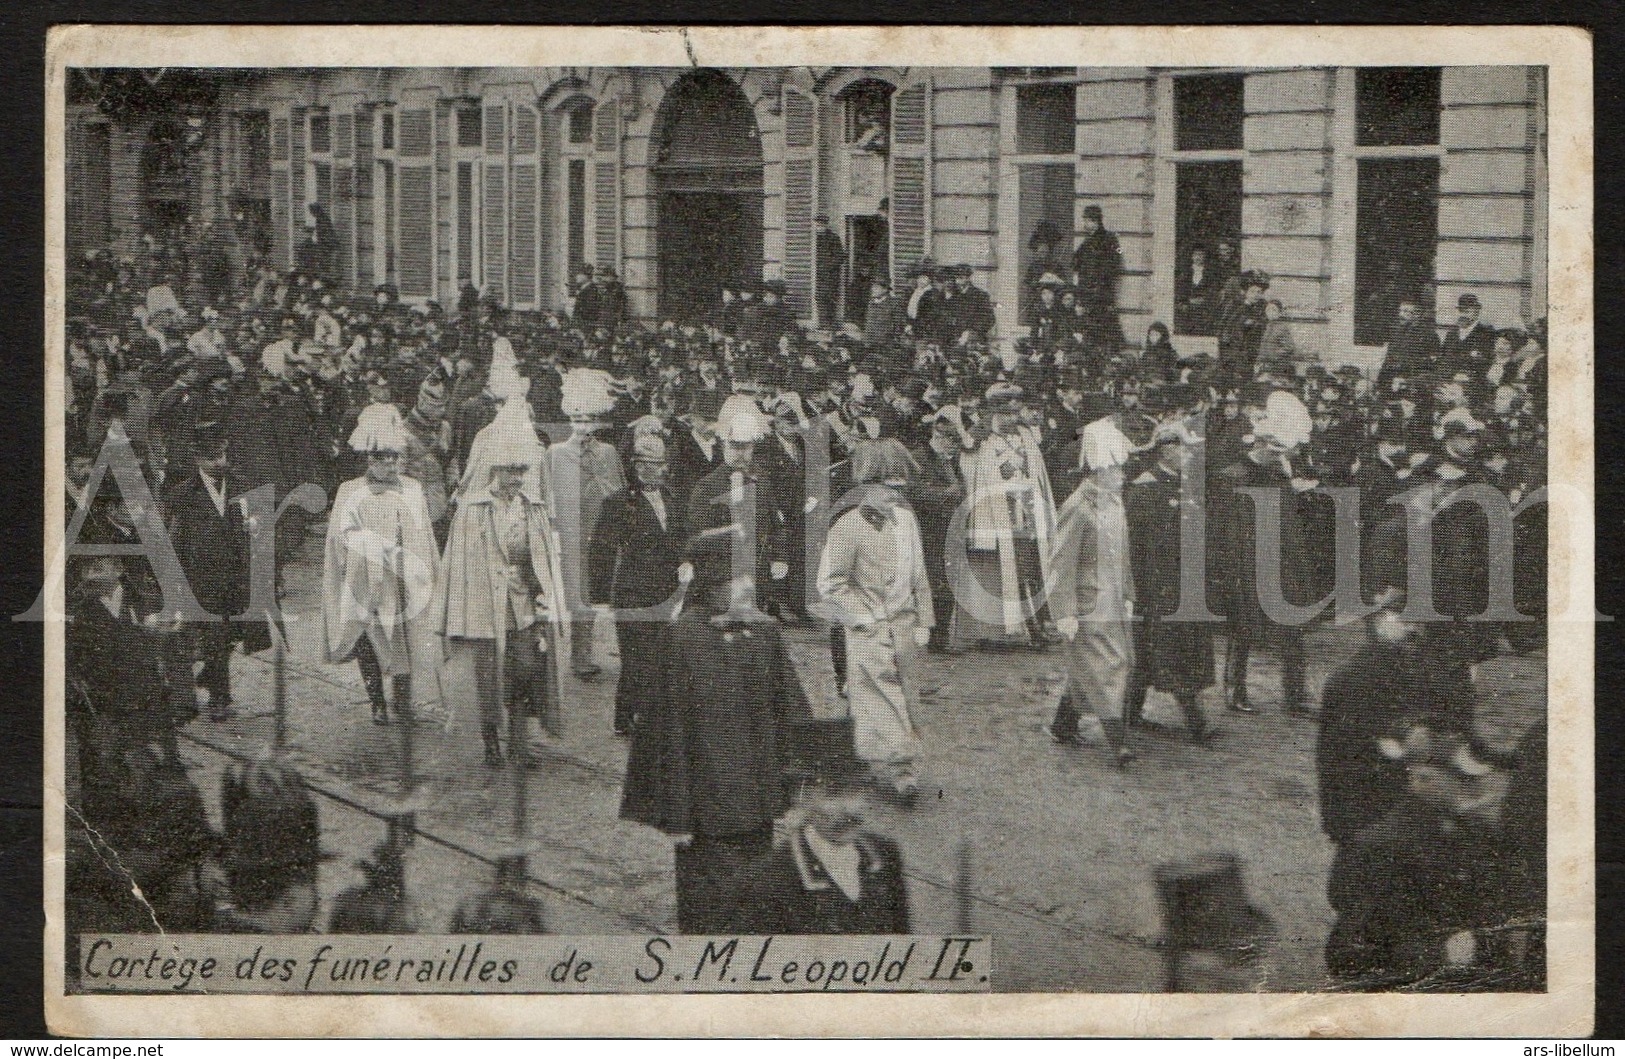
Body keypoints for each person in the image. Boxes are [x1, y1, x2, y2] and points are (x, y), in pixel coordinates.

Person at [618, 530, 814, 934]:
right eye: (737, 582)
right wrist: (676, 816)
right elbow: (664, 735)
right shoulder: (681, 640)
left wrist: (798, 788)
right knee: (709, 912)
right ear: (710, 585)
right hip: (705, 812)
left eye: (749, 581)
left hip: (757, 803)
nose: (747, 590)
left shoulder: (765, 635)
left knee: (755, 905)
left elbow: (792, 713)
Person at [441, 406, 569, 768]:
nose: (518, 479)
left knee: (526, 671)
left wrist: (545, 595)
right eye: (511, 471)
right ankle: (490, 742)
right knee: (489, 675)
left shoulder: (533, 508)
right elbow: (459, 568)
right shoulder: (473, 511)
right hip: (485, 604)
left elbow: (543, 559)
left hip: (524, 601)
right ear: (494, 468)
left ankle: (519, 741)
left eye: (522, 471)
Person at [816, 439, 935, 805]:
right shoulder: (849, 525)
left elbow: (919, 573)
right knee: (881, 697)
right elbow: (830, 583)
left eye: (901, 489)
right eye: (888, 489)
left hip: (903, 623)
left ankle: (862, 757)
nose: (896, 497)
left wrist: (924, 617)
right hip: (869, 626)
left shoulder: (907, 520)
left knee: (903, 696)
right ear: (867, 486)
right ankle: (903, 771)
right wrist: (863, 618)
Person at [322, 404, 443, 727]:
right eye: (381, 457)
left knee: (406, 637)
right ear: (368, 459)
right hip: (366, 577)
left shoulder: (413, 489)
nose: (389, 464)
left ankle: (402, 700)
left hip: (402, 577)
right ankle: (377, 699)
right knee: (370, 639)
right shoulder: (351, 491)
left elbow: (424, 535)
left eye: (394, 457)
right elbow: (339, 537)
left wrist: (425, 570)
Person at [726, 725, 910, 935]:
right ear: (801, 797)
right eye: (834, 793)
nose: (851, 807)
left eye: (859, 790)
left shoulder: (885, 855)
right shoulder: (769, 879)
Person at [1211, 390, 1313, 716]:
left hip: (1282, 561)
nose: (1279, 456)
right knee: (1243, 629)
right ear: (1261, 444)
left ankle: (1295, 696)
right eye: (1274, 449)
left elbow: (1289, 523)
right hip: (1247, 564)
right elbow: (1229, 534)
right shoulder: (1234, 477)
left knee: (1292, 628)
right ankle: (1235, 689)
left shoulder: (1278, 475)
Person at [1047, 416, 1139, 766]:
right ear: (1098, 470)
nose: (1122, 474)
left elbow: (1123, 556)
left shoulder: (1115, 503)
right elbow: (1059, 563)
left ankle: (1063, 723)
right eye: (1116, 468)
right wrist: (1064, 611)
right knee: (1110, 667)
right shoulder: (1078, 508)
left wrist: (1128, 592)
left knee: (1093, 668)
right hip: (1087, 604)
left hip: (1112, 600)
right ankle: (1119, 743)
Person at [1122, 421, 1218, 745]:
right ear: (1167, 449)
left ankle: (1129, 714)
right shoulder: (1145, 487)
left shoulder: (1184, 483)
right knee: (1166, 650)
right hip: (1157, 586)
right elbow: (1134, 544)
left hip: (1183, 583)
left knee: (1151, 654)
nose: (1190, 454)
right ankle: (1196, 723)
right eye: (1184, 448)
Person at [588, 431, 685, 736]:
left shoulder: (673, 499)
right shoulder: (618, 502)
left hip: (666, 593)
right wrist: (601, 598)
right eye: (641, 464)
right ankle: (631, 717)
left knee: (658, 656)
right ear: (633, 466)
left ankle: (638, 715)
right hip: (632, 593)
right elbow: (601, 550)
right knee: (636, 658)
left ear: (665, 466)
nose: (647, 470)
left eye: (654, 464)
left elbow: (682, 541)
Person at [955, 382, 1059, 649]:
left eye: (1015, 413)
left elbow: (1037, 474)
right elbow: (972, 477)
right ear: (994, 413)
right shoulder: (980, 439)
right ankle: (992, 631)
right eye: (1006, 414)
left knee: (1028, 570)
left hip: (1025, 514)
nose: (1012, 419)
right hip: (994, 513)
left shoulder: (1025, 436)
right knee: (994, 569)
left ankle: (1032, 627)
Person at [163, 422, 254, 723]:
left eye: (222, 455)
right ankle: (204, 698)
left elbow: (258, 532)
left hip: (234, 578)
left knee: (226, 638)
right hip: (198, 579)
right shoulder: (183, 495)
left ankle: (215, 689)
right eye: (212, 457)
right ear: (197, 459)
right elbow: (175, 541)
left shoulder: (242, 487)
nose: (219, 463)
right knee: (201, 639)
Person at [549, 369, 628, 681]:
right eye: (578, 419)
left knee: (598, 593)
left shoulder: (608, 453)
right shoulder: (556, 454)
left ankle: (594, 649)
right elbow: (546, 495)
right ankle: (579, 654)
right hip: (571, 535)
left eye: (590, 419)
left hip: (602, 533)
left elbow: (619, 495)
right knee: (575, 595)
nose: (584, 426)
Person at [908, 407, 969, 653]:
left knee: (947, 584)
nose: (954, 447)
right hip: (927, 531)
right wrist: (945, 495)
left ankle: (940, 638)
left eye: (956, 442)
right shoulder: (919, 458)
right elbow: (912, 492)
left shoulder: (951, 462)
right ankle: (930, 637)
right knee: (931, 585)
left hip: (949, 531)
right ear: (937, 435)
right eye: (950, 441)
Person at [1070, 205, 1124, 355]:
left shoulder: (1110, 239)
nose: (1085, 224)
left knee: (1103, 331)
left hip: (1101, 295)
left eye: (1087, 220)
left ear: (1095, 221)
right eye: (1085, 220)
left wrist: (1100, 280)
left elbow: (1117, 258)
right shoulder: (1087, 242)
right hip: (1088, 294)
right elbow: (1075, 262)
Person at [1216, 270, 1269, 389]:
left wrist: (1255, 324)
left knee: (1249, 383)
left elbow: (1264, 327)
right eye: (1252, 291)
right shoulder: (1235, 307)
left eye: (1259, 292)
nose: (1256, 295)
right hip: (1234, 352)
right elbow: (1225, 328)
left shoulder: (1262, 309)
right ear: (1245, 292)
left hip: (1252, 351)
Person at [1376, 297, 1441, 395]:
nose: (1400, 315)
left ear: (1417, 314)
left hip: (1412, 387)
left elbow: (1430, 367)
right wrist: (1380, 383)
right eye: (1400, 311)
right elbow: (1388, 360)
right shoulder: (1397, 333)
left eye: (1406, 311)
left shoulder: (1429, 336)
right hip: (1390, 384)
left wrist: (1408, 380)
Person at [1437, 293, 1495, 382]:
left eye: (1467, 311)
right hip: (1448, 380)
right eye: (1461, 311)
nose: (1463, 315)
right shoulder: (1452, 332)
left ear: (1477, 311)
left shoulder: (1486, 333)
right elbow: (1442, 357)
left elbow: (1487, 361)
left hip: (1473, 382)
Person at [946, 264, 996, 348]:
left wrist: (972, 331)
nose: (957, 281)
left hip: (974, 341)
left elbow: (989, 319)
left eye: (961, 277)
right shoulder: (952, 295)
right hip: (953, 341)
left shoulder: (980, 295)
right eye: (956, 278)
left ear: (968, 278)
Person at [815, 214, 845, 328]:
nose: (819, 227)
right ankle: (823, 324)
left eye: (821, 224)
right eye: (817, 224)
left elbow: (840, 257)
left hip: (830, 276)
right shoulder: (813, 239)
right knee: (819, 297)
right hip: (817, 276)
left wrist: (827, 267)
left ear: (826, 225)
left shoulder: (833, 238)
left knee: (830, 298)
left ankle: (830, 325)